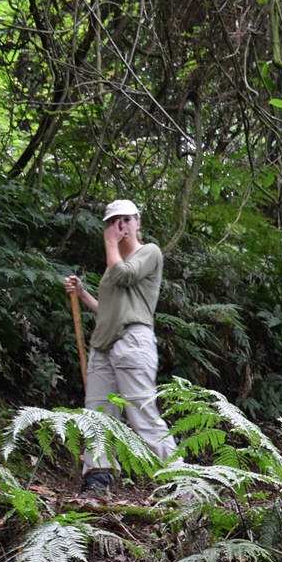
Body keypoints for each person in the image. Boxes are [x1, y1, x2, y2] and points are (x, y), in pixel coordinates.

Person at [62, 200, 177, 494]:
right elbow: (109, 310)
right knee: (98, 416)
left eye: (126, 220)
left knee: (142, 416)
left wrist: (109, 244)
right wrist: (84, 294)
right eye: (113, 222)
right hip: (103, 345)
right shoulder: (110, 267)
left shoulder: (149, 252)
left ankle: (181, 485)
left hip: (133, 342)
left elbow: (125, 276)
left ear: (138, 223)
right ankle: (97, 480)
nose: (120, 227)